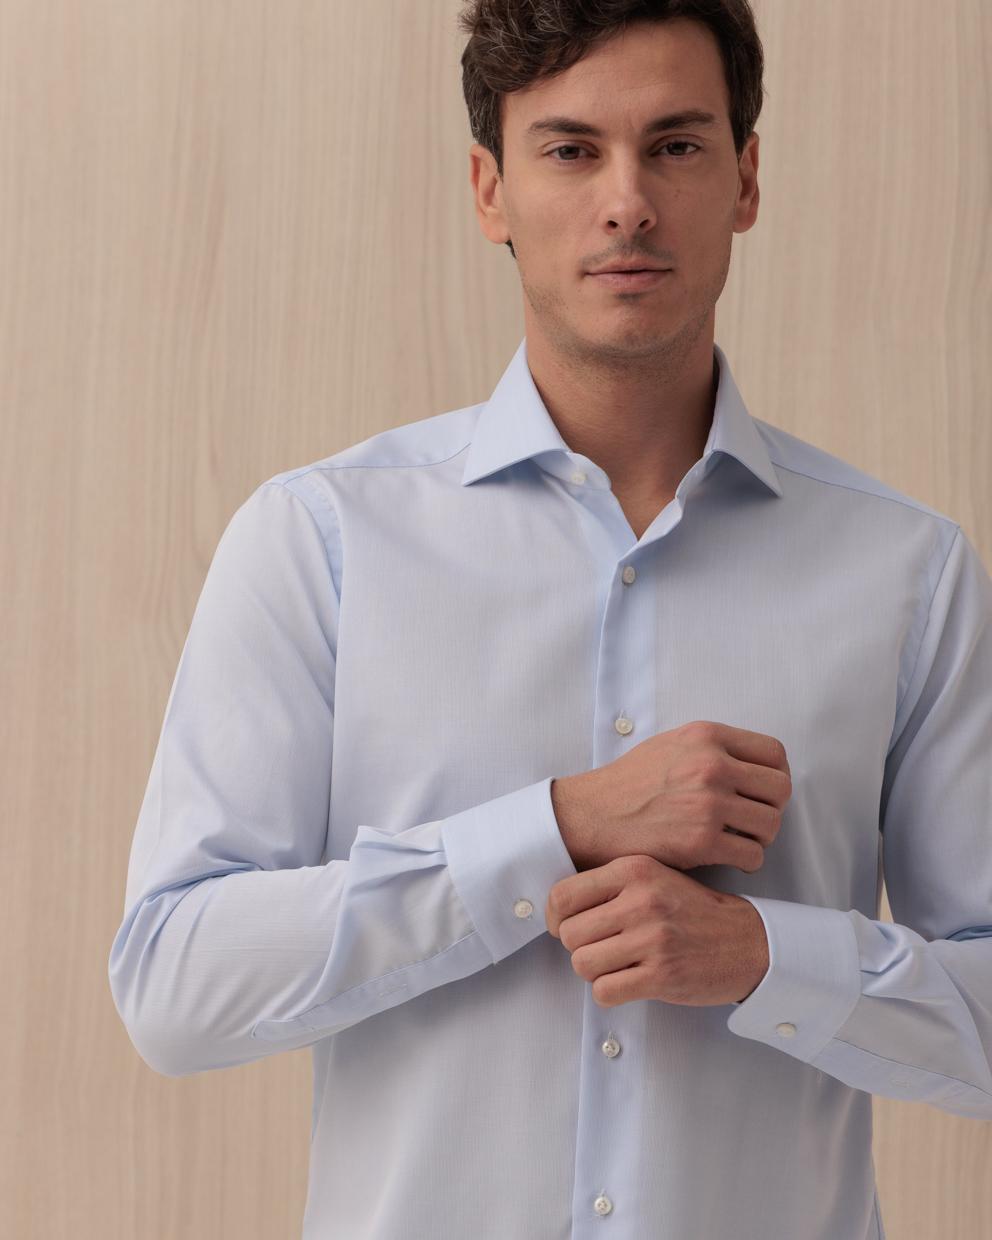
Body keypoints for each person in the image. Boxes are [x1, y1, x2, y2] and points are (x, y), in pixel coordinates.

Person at [108, 3, 992, 1237]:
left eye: (673, 146)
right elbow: (174, 984)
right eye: (570, 150)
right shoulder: (322, 542)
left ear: (744, 179)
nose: (625, 203)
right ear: (491, 191)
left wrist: (760, 957)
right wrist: (553, 830)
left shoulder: (905, 570)